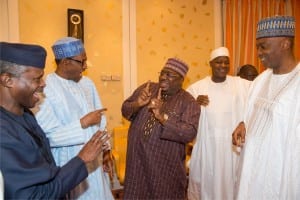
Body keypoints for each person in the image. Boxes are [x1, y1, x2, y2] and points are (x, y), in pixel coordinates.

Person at [0, 42, 110, 199]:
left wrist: (103, 150)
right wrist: (81, 158)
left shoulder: (26, 115)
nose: (43, 84)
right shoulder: (3, 134)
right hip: (68, 167)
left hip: (65, 178)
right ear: (8, 80)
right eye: (37, 79)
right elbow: (33, 195)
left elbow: (44, 168)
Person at [32, 37, 114, 200]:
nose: (85, 66)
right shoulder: (47, 86)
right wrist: (82, 123)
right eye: (81, 61)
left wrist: (106, 150)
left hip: (95, 162)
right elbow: (48, 136)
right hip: (69, 162)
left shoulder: (87, 83)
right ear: (65, 62)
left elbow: (100, 119)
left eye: (85, 61)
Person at [232, 16, 300, 199]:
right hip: (251, 172)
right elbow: (251, 116)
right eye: (257, 47)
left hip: (278, 177)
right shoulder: (260, 80)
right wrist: (242, 124)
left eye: (263, 46)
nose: (259, 53)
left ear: (285, 44)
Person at [121, 58, 200, 199]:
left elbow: (189, 133)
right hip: (137, 161)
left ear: (181, 79)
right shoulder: (148, 88)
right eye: (163, 73)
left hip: (164, 167)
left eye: (170, 75)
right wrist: (138, 103)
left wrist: (162, 117)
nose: (163, 77)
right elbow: (125, 110)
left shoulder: (188, 102)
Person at [187, 47, 251, 200]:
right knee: (208, 185)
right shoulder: (197, 88)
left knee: (233, 183)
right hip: (208, 148)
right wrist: (195, 103)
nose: (223, 66)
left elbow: (257, 98)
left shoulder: (240, 84)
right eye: (218, 62)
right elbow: (183, 109)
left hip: (233, 148)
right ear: (211, 64)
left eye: (226, 62)